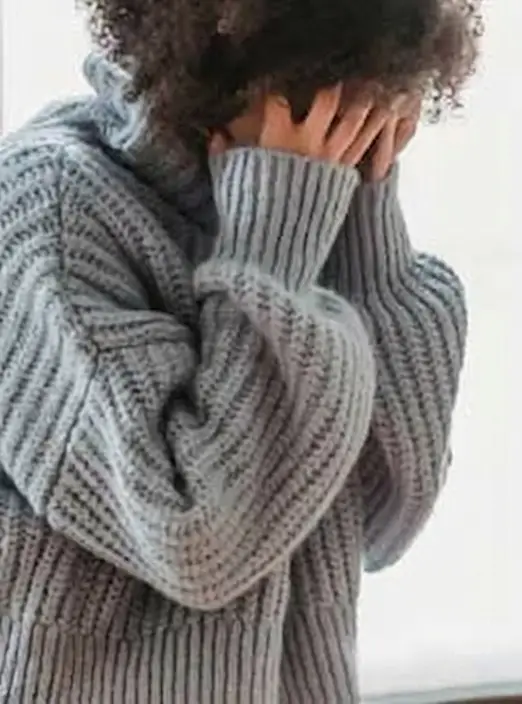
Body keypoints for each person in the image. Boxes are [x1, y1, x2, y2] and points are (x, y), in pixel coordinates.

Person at [0, 0, 480, 701]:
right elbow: (198, 539)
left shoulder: (300, 189)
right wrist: (276, 244)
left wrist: (365, 216)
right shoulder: (54, 209)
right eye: (339, 95)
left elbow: (385, 515)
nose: (357, 118)